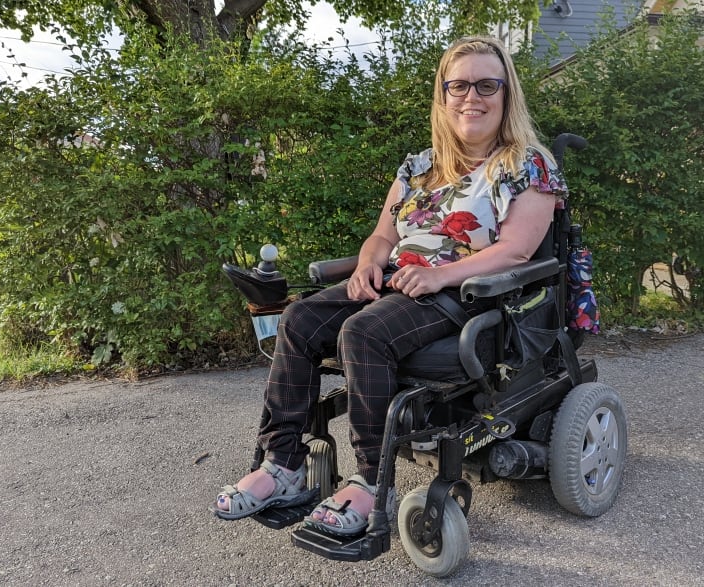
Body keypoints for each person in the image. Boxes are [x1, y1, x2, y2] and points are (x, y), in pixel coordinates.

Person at [211, 35, 568, 536]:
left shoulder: (528, 163)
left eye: (487, 84)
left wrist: (438, 274)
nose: (473, 97)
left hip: (466, 296)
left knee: (363, 333)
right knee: (299, 319)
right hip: (399, 284)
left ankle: (372, 482)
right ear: (443, 97)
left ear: (507, 94)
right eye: (459, 85)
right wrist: (365, 265)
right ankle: (284, 465)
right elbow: (383, 235)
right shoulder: (418, 166)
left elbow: (516, 251)